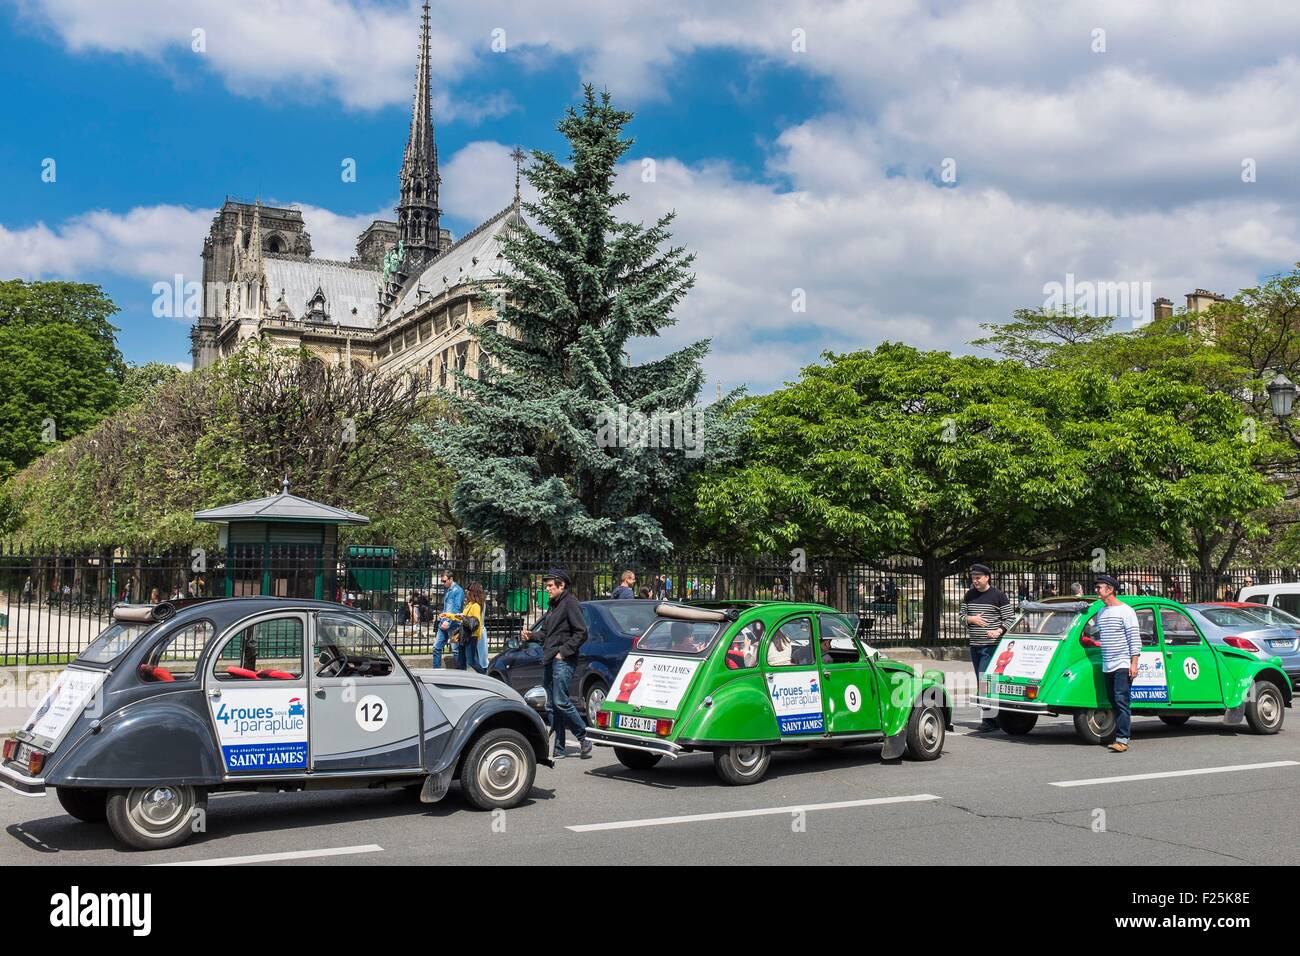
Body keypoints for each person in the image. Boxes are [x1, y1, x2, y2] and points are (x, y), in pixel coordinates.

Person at [520, 569, 591, 758]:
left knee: (561, 701)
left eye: (551, 586)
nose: (548, 589)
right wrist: (531, 635)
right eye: (547, 586)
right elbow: (545, 634)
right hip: (550, 658)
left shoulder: (570, 603)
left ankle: (584, 736)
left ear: (562, 585)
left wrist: (563, 652)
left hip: (563, 660)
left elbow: (581, 633)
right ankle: (559, 748)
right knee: (552, 705)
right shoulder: (554, 606)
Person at [962, 563, 1014, 733]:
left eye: (978, 578)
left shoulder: (998, 595)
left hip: (991, 647)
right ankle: (995, 717)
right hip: (974, 645)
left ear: (987, 577)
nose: (975, 581)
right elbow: (961, 617)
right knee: (982, 681)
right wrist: (972, 619)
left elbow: (1010, 618)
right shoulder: (969, 595)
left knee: (985, 682)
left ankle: (989, 721)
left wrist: (998, 631)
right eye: (973, 578)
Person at [1094, 573, 1140, 753]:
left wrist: (1133, 663)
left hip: (1122, 663)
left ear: (1110, 590)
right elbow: (1099, 635)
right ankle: (1119, 735)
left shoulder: (1126, 611)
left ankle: (1122, 739)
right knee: (1113, 700)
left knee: (1121, 700)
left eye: (1100, 587)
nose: (1096, 590)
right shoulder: (1101, 611)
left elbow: (1134, 639)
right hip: (1108, 663)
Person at [433, 572, 464, 667]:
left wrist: (448, 621)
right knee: (436, 648)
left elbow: (457, 608)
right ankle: (436, 672)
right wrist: (443, 615)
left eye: (444, 581)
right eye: (442, 581)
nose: (443, 583)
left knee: (456, 650)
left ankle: (460, 673)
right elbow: (447, 607)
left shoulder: (458, 590)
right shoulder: (448, 589)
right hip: (443, 624)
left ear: (451, 579)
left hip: (454, 625)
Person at [458, 582, 487, 673]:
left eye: (468, 590)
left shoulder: (476, 606)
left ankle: (484, 675)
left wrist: (477, 636)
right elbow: (465, 616)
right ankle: (461, 676)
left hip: (471, 635)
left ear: (473, 592)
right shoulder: (469, 604)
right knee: (462, 659)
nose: (466, 592)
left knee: (472, 660)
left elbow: (476, 623)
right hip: (465, 634)